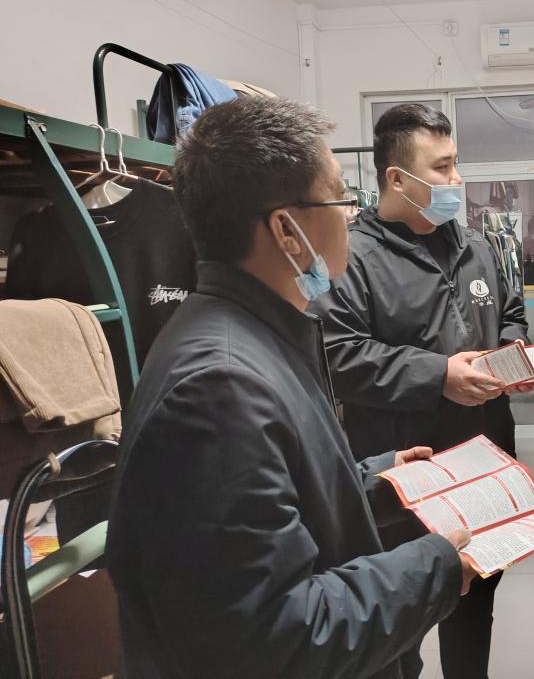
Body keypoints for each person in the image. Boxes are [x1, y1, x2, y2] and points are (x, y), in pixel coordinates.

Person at [106, 97, 475, 679]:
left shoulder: (258, 334)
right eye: (340, 198)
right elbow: (276, 637)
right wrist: (437, 567)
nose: (352, 216)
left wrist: (375, 479)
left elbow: (279, 498)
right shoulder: (219, 387)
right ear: (286, 229)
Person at [312, 103, 530, 679]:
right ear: (397, 179)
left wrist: (513, 351)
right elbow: (340, 356)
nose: (457, 179)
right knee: (399, 621)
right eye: (442, 167)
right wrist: (439, 376)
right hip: (407, 474)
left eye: (455, 162)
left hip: (485, 463)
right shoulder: (352, 257)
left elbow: (510, 311)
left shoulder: (474, 245)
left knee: (475, 604)